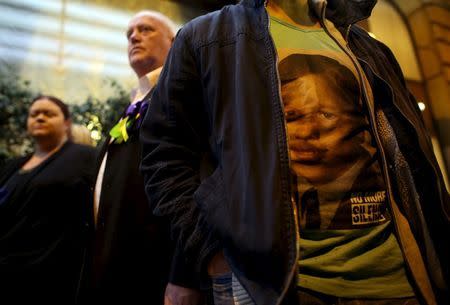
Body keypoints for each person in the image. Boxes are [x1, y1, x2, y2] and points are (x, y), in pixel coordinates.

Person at [140, 0, 450, 305]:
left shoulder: (369, 48)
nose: (312, 130)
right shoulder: (205, 37)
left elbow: (417, 159)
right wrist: (209, 252)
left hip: (401, 281)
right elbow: (164, 153)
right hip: (264, 286)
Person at [88, 10, 204, 305]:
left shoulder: (188, 94)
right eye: (129, 34)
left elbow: (198, 179)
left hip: (157, 266)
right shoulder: (135, 102)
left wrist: (185, 272)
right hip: (115, 259)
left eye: (146, 29)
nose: (134, 37)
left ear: (175, 41)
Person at [0, 95, 95, 303]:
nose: (40, 118)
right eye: (34, 114)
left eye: (49, 114)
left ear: (67, 123)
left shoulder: (84, 157)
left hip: (50, 276)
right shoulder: (13, 165)